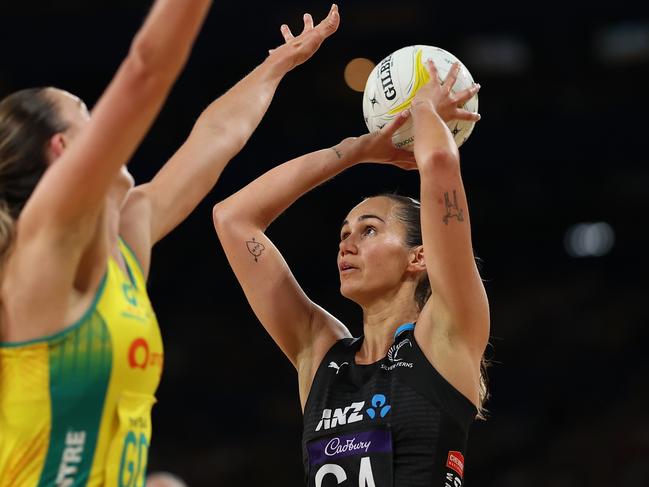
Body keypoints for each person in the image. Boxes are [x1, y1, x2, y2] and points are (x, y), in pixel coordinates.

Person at [0, 2, 340, 485]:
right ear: (63, 151)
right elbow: (146, 70)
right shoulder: (40, 248)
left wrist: (277, 64)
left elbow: (218, 136)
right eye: (87, 116)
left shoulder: (124, 243)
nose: (105, 126)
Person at [213, 58, 487, 485]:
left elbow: (437, 163)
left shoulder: (446, 334)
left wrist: (425, 111)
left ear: (419, 257)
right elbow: (233, 218)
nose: (347, 242)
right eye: (344, 232)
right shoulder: (321, 353)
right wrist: (354, 151)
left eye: (370, 230)